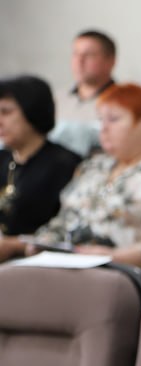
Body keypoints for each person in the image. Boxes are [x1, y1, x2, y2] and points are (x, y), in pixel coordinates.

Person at [35, 83, 141, 284]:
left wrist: (114, 257)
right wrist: (41, 243)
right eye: (101, 120)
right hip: (70, 270)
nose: (104, 128)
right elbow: (64, 220)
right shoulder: (94, 166)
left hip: (130, 278)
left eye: (114, 119)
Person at [0, 75, 82, 261]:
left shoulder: (65, 164)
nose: (0, 121)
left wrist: (14, 245)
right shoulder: (3, 158)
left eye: (6, 112)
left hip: (36, 262)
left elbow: (68, 229)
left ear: (32, 112)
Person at [50, 29, 116, 156]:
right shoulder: (57, 98)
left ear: (110, 61)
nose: (79, 61)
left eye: (89, 55)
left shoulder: (124, 103)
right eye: (75, 54)